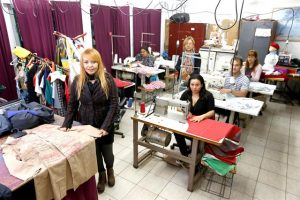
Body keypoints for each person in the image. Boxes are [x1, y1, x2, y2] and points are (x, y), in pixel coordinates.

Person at [60, 48, 118, 194]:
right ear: (82, 63)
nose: (90, 65)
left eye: (93, 62)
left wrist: (105, 126)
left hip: (105, 123)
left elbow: (114, 104)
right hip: (87, 125)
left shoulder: (108, 79)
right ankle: (102, 175)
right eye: (86, 62)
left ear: (99, 63)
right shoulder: (77, 81)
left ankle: (110, 169)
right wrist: (66, 124)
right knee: (95, 153)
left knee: (107, 153)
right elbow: (72, 104)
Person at [174, 74, 215, 156]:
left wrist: (201, 116)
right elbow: (178, 106)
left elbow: (212, 112)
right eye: (192, 84)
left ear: (202, 85)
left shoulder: (208, 95)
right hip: (189, 122)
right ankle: (184, 155)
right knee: (176, 131)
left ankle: (195, 156)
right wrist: (186, 111)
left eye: (197, 85)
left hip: (202, 123)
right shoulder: (186, 93)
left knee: (196, 138)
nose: (194, 87)